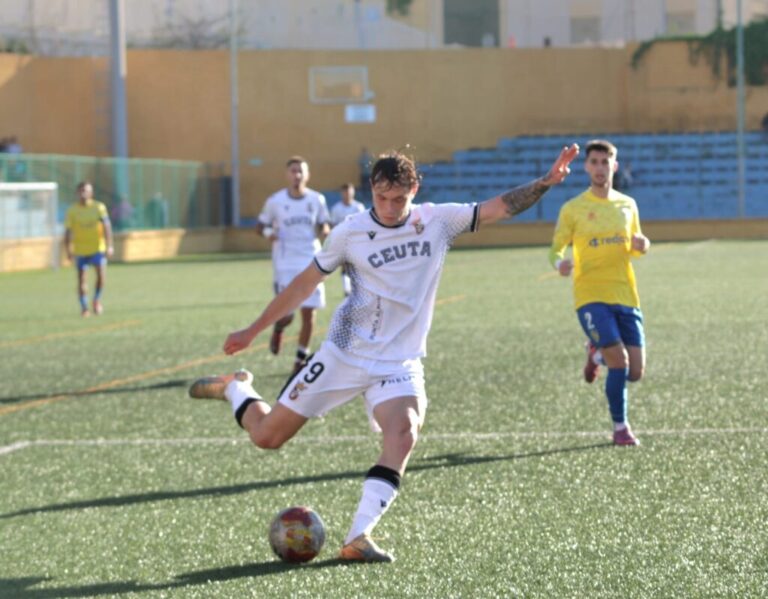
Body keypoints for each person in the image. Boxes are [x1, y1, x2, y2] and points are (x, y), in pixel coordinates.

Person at [189, 144, 579, 562]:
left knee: (404, 431)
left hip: (399, 362)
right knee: (267, 437)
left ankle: (358, 536)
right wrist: (254, 329)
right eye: (381, 198)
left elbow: (499, 207)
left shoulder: (438, 221)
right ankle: (237, 389)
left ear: (415, 188)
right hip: (344, 354)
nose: (390, 208)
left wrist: (545, 182)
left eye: (399, 199)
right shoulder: (350, 232)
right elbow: (304, 283)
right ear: (371, 190)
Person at [549, 139, 650, 447]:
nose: (599, 168)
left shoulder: (627, 205)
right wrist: (559, 264)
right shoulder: (573, 209)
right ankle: (620, 428)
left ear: (614, 166)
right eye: (594, 162)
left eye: (605, 162)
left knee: (635, 371)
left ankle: (595, 354)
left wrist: (643, 246)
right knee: (618, 361)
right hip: (590, 295)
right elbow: (556, 249)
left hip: (625, 294)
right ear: (586, 167)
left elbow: (637, 243)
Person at [256, 156, 331, 374]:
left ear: (307, 175)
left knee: (309, 313)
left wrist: (325, 229)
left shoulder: (317, 199)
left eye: (300, 171)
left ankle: (300, 359)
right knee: (287, 313)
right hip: (286, 263)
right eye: (293, 171)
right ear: (287, 175)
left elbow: (323, 222)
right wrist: (270, 233)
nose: (297, 175)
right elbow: (260, 225)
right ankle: (279, 327)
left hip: (311, 260)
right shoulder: (275, 201)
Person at [64, 181, 114, 316]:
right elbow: (67, 232)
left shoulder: (99, 207)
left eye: (86, 191)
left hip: (98, 247)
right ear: (77, 193)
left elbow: (107, 227)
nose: (83, 194)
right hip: (80, 249)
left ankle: (96, 300)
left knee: (101, 276)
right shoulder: (72, 210)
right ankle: (84, 307)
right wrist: (68, 250)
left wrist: (109, 246)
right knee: (81, 279)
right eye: (80, 191)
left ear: (91, 193)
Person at [329, 182, 366, 296]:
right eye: (345, 192)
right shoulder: (336, 208)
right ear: (342, 193)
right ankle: (347, 289)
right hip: (342, 241)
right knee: (345, 265)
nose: (347, 194)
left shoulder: (358, 207)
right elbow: (333, 225)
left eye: (349, 191)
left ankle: (357, 287)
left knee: (357, 265)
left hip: (356, 241)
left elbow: (363, 224)